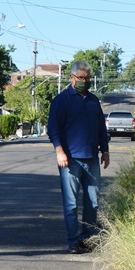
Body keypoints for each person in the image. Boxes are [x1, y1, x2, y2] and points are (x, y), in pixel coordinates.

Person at [47, 60, 110, 253]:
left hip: (91, 158)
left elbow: (101, 127)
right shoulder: (61, 101)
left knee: (93, 202)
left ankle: (88, 238)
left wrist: (105, 150)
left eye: (87, 78)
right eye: (80, 78)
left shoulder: (93, 101)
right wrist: (59, 151)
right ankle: (73, 241)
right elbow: (53, 129)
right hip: (70, 160)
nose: (84, 81)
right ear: (72, 78)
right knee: (71, 204)